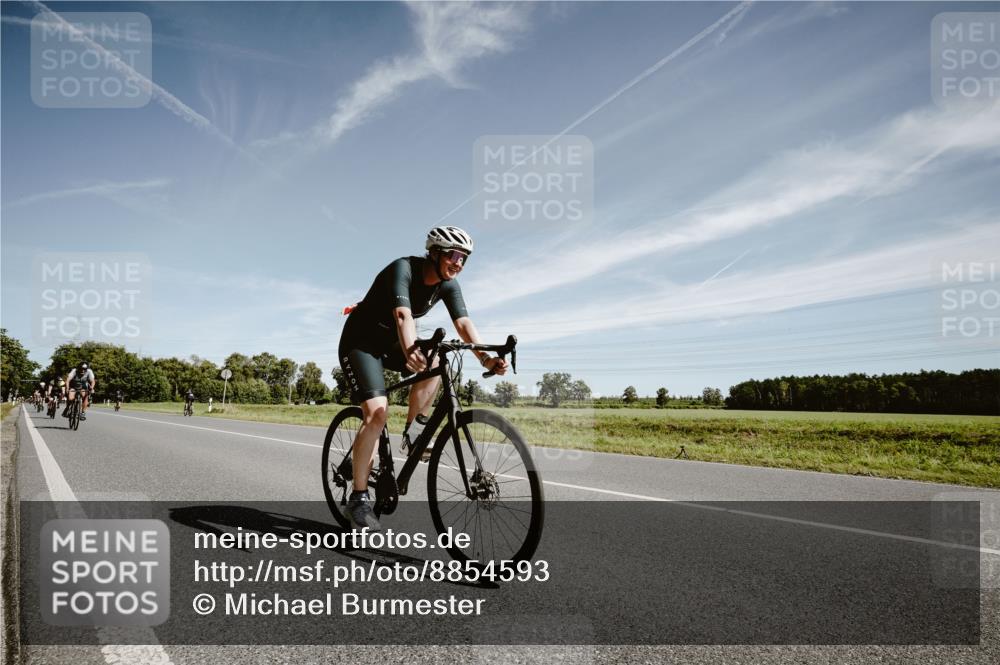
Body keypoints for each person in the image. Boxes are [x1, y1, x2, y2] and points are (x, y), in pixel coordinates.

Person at [338, 226, 508, 531]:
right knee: (377, 413)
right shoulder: (402, 269)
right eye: (453, 255)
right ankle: (358, 500)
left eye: (464, 258)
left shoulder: (448, 285)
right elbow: (403, 316)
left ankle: (414, 432)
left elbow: (463, 323)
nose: (458, 263)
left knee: (436, 361)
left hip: (391, 342)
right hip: (360, 342)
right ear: (434, 253)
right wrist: (410, 349)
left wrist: (485, 357)